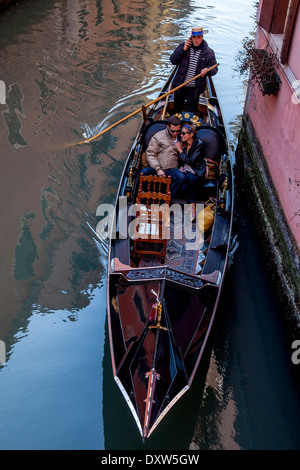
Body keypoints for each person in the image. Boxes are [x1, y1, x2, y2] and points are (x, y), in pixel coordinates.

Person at [170, 26, 218, 115]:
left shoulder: (209, 52)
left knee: (191, 113)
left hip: (195, 88)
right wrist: (183, 50)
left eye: (198, 37)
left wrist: (207, 69)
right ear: (191, 38)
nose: (196, 40)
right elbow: (173, 60)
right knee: (176, 111)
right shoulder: (183, 47)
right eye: (194, 37)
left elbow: (214, 69)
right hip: (180, 85)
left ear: (202, 37)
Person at [142, 116, 185, 198]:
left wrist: (183, 166)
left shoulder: (182, 137)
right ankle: (151, 197)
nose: (175, 133)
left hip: (172, 169)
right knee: (144, 173)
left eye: (177, 131)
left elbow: (187, 153)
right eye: (173, 131)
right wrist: (158, 169)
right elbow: (150, 154)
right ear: (168, 127)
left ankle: (167, 199)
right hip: (157, 168)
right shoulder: (158, 137)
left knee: (181, 177)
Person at [176, 124, 207, 221]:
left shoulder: (199, 144)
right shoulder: (183, 144)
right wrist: (180, 166)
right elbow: (181, 160)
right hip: (187, 170)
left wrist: (180, 150)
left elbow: (191, 161)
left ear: (191, 134)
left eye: (184, 133)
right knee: (183, 177)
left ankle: (192, 206)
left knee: (190, 178)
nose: (181, 135)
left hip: (197, 171)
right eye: (181, 133)